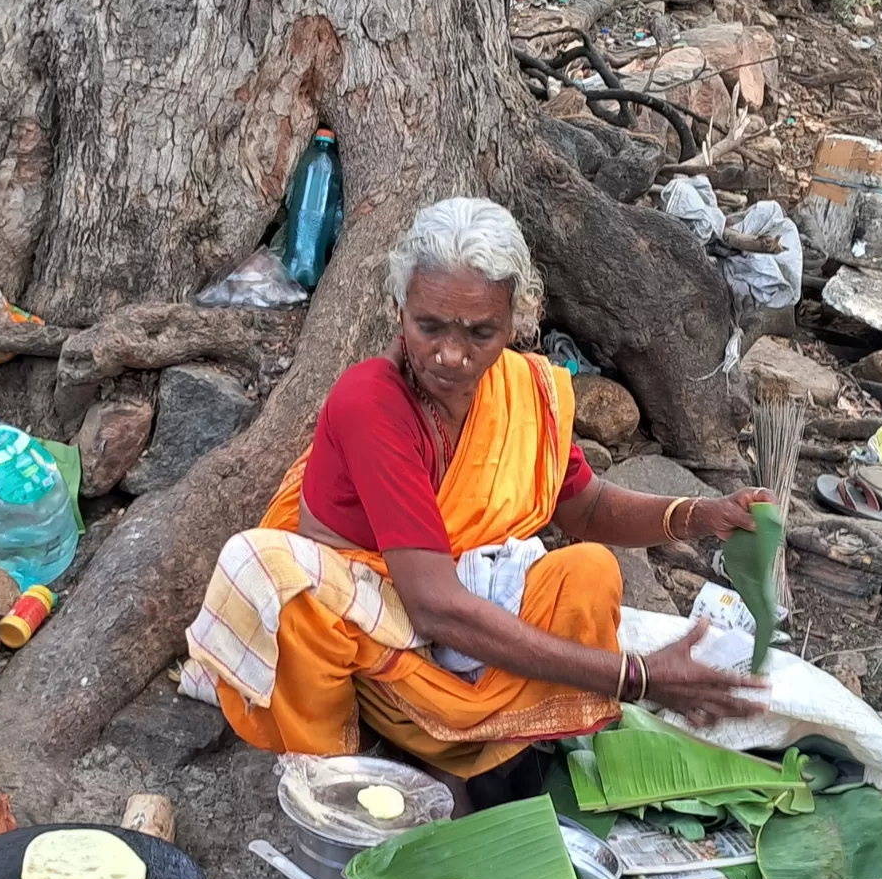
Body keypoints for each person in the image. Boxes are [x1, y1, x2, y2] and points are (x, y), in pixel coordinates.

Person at [182, 197, 769, 781]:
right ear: (398, 309)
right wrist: (634, 676)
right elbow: (433, 606)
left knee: (588, 573)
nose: (452, 355)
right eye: (429, 326)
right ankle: (361, 760)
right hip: (373, 635)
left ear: (516, 322)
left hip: (467, 615)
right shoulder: (374, 403)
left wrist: (695, 515)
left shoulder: (523, 391)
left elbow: (586, 507)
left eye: (481, 332)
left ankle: (493, 738)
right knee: (276, 576)